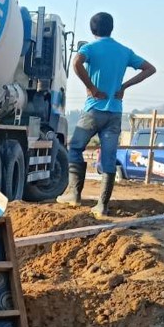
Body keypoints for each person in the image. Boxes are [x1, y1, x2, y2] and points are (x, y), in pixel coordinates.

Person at [58, 12, 156, 216]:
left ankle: (74, 194)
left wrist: (91, 87)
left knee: (75, 147)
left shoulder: (90, 48)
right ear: (111, 28)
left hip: (93, 110)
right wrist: (125, 86)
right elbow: (150, 69)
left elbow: (76, 63)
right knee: (109, 158)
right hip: (114, 113)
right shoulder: (124, 51)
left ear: (93, 30)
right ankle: (102, 205)